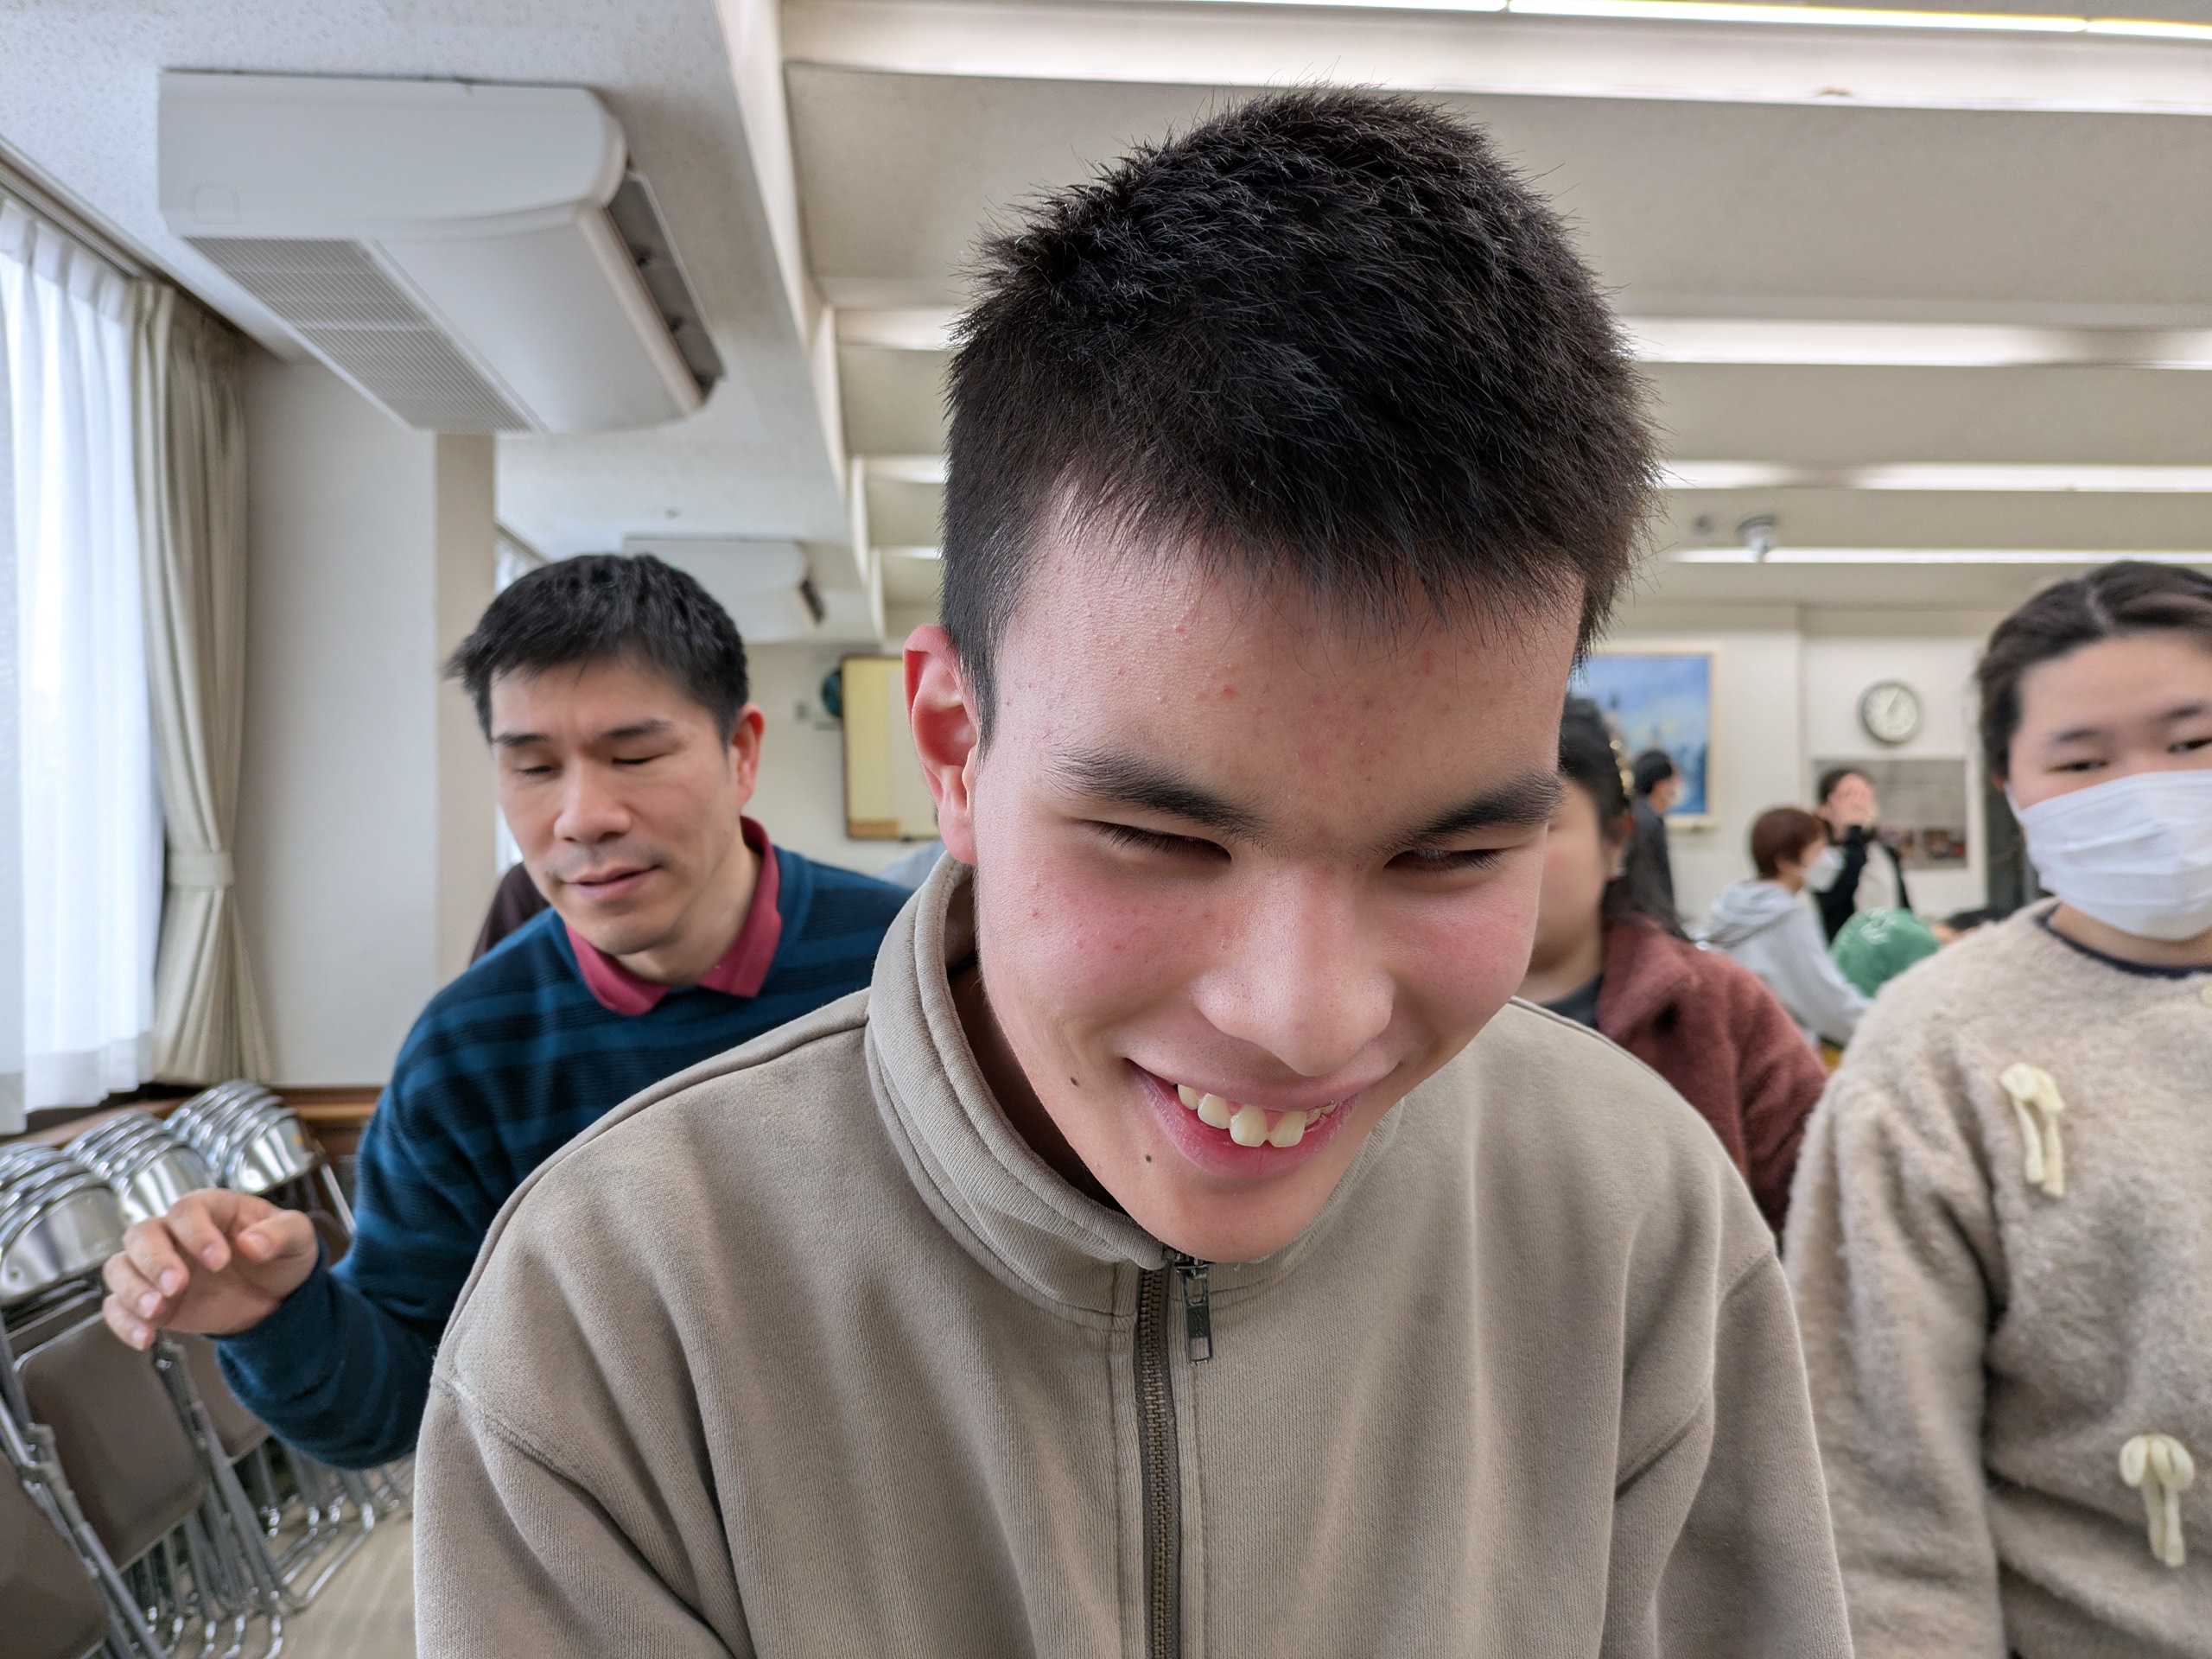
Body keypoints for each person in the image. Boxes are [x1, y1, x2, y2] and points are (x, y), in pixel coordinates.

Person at [411, 92, 1852, 1656]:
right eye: (1163, 840)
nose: (1302, 1020)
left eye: (1451, 854)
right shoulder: (617, 1305)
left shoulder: (1632, 1215)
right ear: (954, 744)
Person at [99, 555, 907, 1468]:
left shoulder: (913, 968)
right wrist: (275, 1318)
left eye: (634, 756)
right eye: (532, 767)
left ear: (742, 753)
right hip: (626, 1529)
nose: (582, 816)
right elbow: (398, 1404)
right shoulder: (465, 1052)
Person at [1788, 560, 2212, 1656]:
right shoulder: (1935, 1047)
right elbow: (1878, 1468)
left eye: (2193, 741)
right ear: (2012, 791)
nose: (2150, 791)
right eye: (2082, 761)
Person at [1520, 702, 1828, 1230]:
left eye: (1530, 824)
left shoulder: (1717, 1004)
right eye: (1446, 834)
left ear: (1615, 842)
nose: (1487, 852)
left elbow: (1826, 1209)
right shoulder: (1390, 1016)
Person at [1704, 806, 1872, 1049]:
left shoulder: (1731, 906)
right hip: (1780, 1050)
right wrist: (1884, 1023)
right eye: (1818, 851)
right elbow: (1826, 1001)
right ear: (1785, 862)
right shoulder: (1785, 918)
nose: (1828, 859)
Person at [1809, 764, 1911, 941]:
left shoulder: (1881, 853)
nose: (1858, 804)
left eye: (1865, 794)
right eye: (1848, 795)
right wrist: (1853, 830)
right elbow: (1838, 900)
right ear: (1824, 809)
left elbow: (1902, 907)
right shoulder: (1820, 856)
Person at [1628, 747, 1680, 914]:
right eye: (1674, 778)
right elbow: (1652, 881)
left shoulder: (1639, 813)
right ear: (1660, 784)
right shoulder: (1646, 822)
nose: (1677, 785)